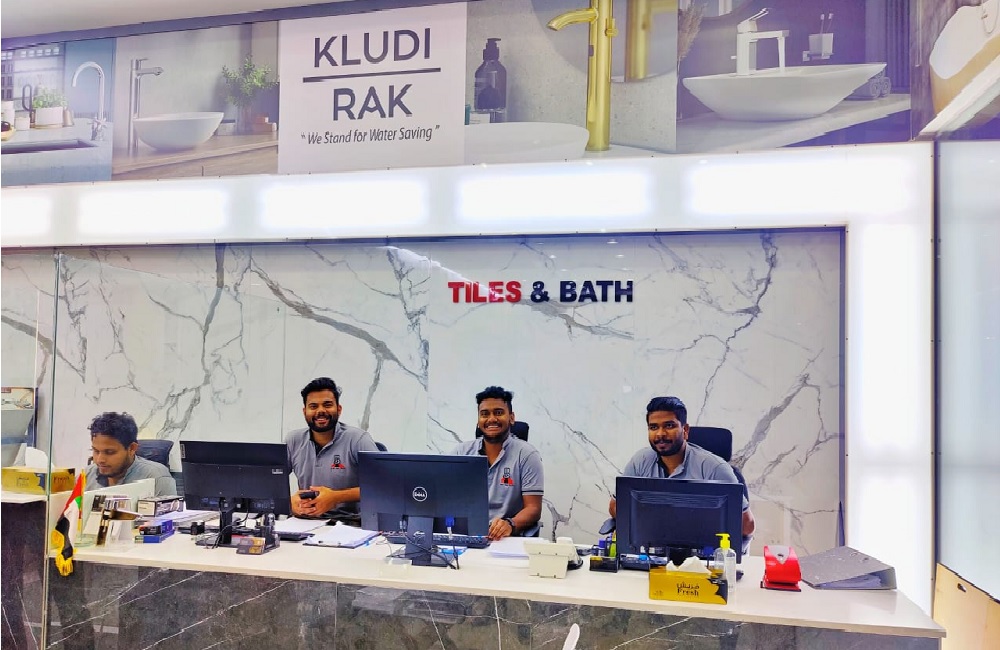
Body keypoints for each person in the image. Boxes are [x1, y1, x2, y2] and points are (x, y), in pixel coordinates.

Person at [609, 396, 755, 543]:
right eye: (653, 427)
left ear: (685, 430)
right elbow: (615, 508)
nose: (660, 434)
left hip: (702, 550)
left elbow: (747, 525)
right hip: (652, 546)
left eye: (669, 426)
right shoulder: (640, 461)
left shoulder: (714, 468)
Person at [451, 386, 543, 540]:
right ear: (478, 420)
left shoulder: (527, 455)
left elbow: (533, 508)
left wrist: (510, 524)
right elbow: (446, 499)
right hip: (467, 536)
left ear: (511, 417)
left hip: (506, 539)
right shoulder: (461, 452)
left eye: (498, 412)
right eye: (485, 414)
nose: (491, 419)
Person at [285, 377, 379, 519]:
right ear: (304, 412)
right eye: (313, 406)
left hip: (349, 522)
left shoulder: (358, 439)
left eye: (327, 405)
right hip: (305, 521)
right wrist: (289, 502)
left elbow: (381, 487)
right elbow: (272, 482)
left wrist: (336, 497)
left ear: (339, 409)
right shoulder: (293, 440)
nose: (320, 411)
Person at [85, 412, 176, 496]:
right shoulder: (87, 475)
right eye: (96, 451)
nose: (100, 460)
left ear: (132, 448)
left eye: (109, 452)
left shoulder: (156, 477)